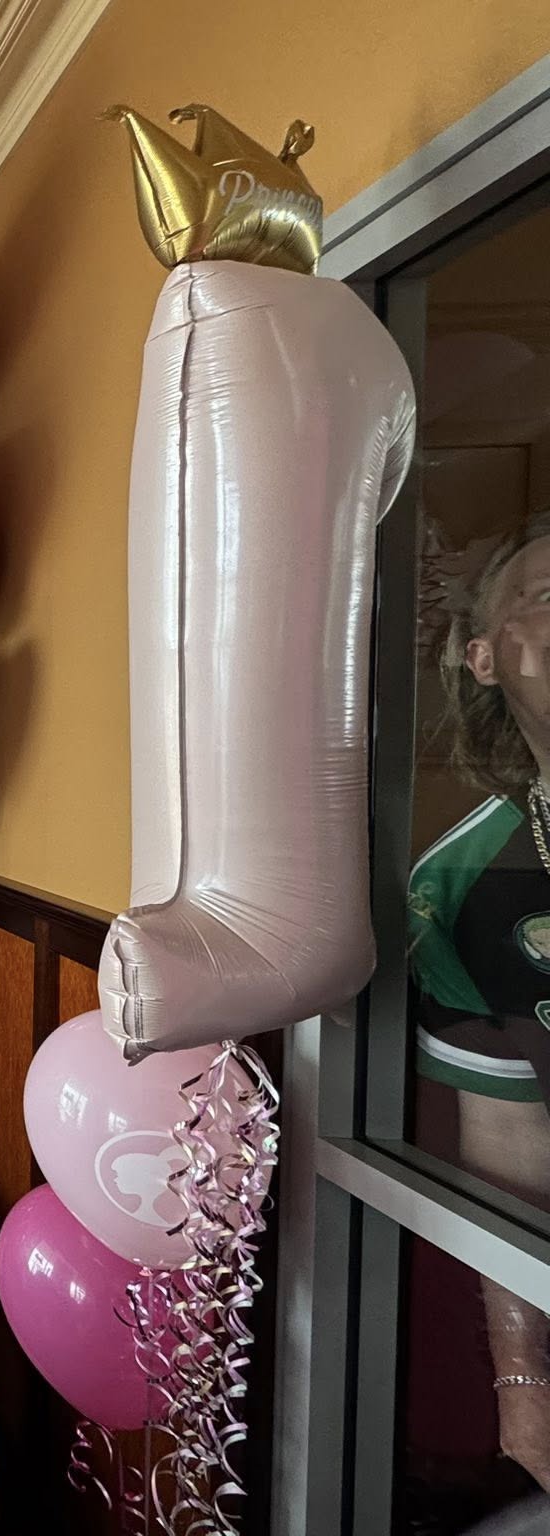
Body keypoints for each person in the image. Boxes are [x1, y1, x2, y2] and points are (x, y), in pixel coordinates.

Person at [413, 515, 550, 1490]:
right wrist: (520, 1379)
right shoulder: (457, 893)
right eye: (544, 598)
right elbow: (511, 1153)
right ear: (483, 658)